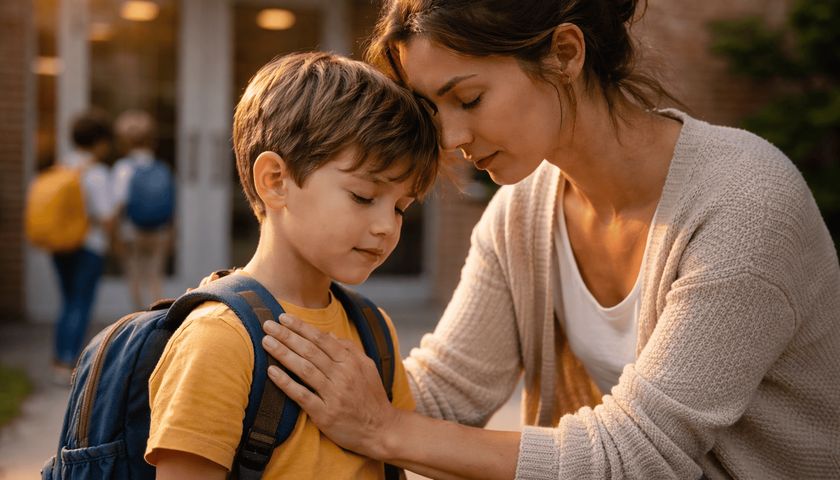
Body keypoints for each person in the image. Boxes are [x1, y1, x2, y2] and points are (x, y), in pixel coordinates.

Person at [258, 1, 840, 479]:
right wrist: (247, 377)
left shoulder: (745, 205)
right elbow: (445, 390)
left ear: (565, 53)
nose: (453, 136)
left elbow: (638, 456)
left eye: (469, 98)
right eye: (435, 109)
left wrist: (384, 430)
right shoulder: (523, 209)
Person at [145, 51, 439, 479]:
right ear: (275, 181)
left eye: (401, 208)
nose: (385, 227)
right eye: (363, 196)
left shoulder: (375, 329)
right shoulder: (219, 340)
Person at [51, 109, 117, 381]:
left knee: (67, 302)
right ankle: (68, 363)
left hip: (61, 243)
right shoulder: (97, 173)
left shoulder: (62, 166)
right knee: (80, 303)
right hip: (89, 245)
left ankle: (58, 359)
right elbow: (106, 216)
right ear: (99, 141)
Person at [112, 110, 173, 310]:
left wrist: (114, 235)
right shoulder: (162, 167)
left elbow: (119, 204)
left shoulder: (123, 168)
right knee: (155, 278)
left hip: (133, 230)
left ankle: (139, 321)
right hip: (159, 230)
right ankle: (158, 319)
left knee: (135, 277)